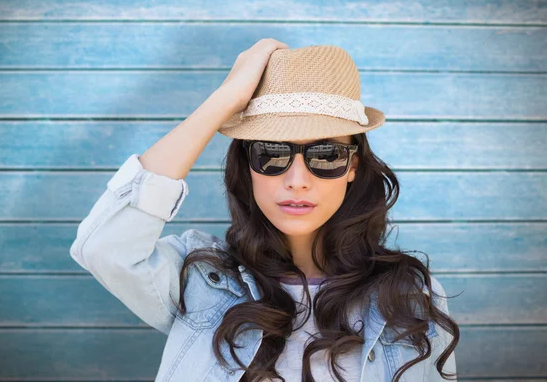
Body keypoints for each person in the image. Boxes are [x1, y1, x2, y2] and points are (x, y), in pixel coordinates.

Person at [70, 39, 459, 382]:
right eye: (272, 153)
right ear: (248, 166)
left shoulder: (409, 296)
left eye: (326, 155)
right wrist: (224, 101)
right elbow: (103, 248)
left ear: (353, 166)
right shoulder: (200, 280)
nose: (297, 180)